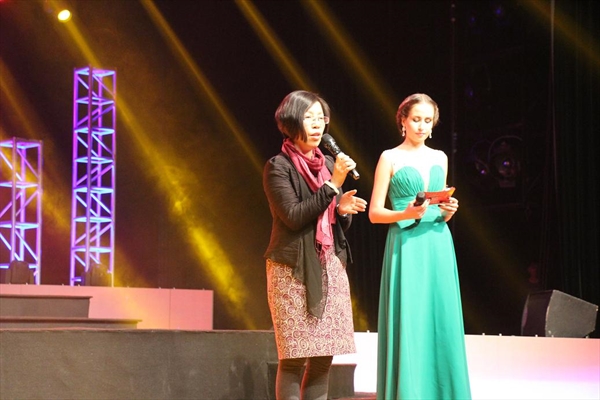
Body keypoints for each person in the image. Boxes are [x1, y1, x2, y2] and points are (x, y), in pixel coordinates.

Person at [263, 90, 368, 400]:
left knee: (323, 359)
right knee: (294, 358)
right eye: (309, 117)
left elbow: (331, 223)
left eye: (321, 118)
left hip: (329, 265)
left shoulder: (328, 164)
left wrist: (341, 210)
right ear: (291, 121)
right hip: (292, 269)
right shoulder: (278, 167)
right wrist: (333, 185)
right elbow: (294, 216)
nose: (317, 124)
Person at [369, 93, 471, 399]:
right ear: (403, 120)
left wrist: (449, 210)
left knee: (440, 318)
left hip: (438, 242)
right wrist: (405, 214)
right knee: (411, 320)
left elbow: (439, 206)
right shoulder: (390, 157)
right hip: (406, 244)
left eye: (428, 120)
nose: (422, 126)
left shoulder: (440, 157)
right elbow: (374, 213)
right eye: (416, 119)